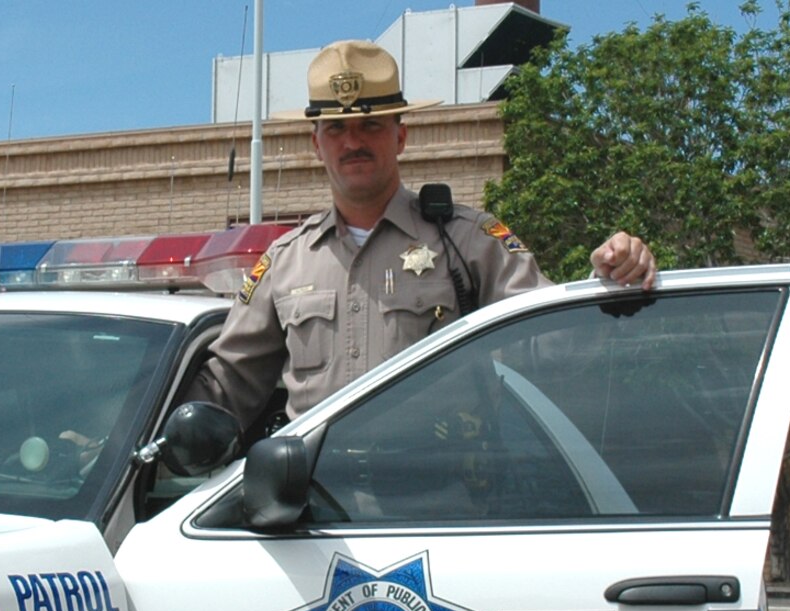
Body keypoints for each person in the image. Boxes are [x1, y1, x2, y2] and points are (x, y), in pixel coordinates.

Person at [189, 40, 656, 433]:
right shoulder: (286, 262)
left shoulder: (468, 240)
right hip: (316, 504)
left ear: (401, 136)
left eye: (371, 124)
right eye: (336, 129)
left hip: (440, 501)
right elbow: (226, 388)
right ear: (316, 143)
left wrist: (609, 280)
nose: (353, 142)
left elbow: (548, 346)